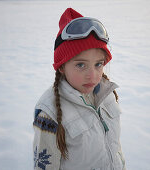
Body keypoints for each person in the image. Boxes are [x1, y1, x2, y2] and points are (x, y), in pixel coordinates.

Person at [33, 8, 126, 170]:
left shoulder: (106, 95)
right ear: (62, 66)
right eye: (81, 65)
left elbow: (115, 149)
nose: (92, 75)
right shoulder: (50, 112)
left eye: (98, 64)